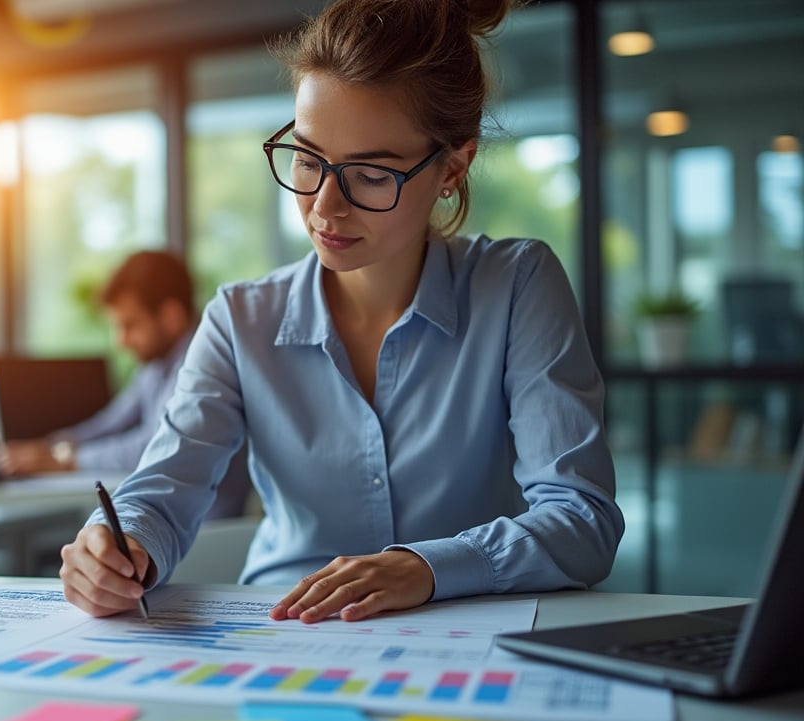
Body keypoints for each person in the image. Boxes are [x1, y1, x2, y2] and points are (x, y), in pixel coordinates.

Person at [58, 0, 624, 623]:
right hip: (280, 634)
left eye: (372, 174)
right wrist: (114, 548)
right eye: (308, 160)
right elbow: (163, 493)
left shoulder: (517, 286)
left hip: (466, 631)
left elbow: (581, 518)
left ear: (451, 169)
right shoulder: (239, 321)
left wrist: (428, 568)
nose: (325, 208)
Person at [0, 249, 250, 521]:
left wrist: (65, 460)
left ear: (171, 316)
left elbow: (153, 444)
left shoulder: (204, 364)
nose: (121, 341)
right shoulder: (156, 367)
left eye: (130, 325)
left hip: (204, 534)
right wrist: (50, 447)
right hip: (166, 523)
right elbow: (112, 422)